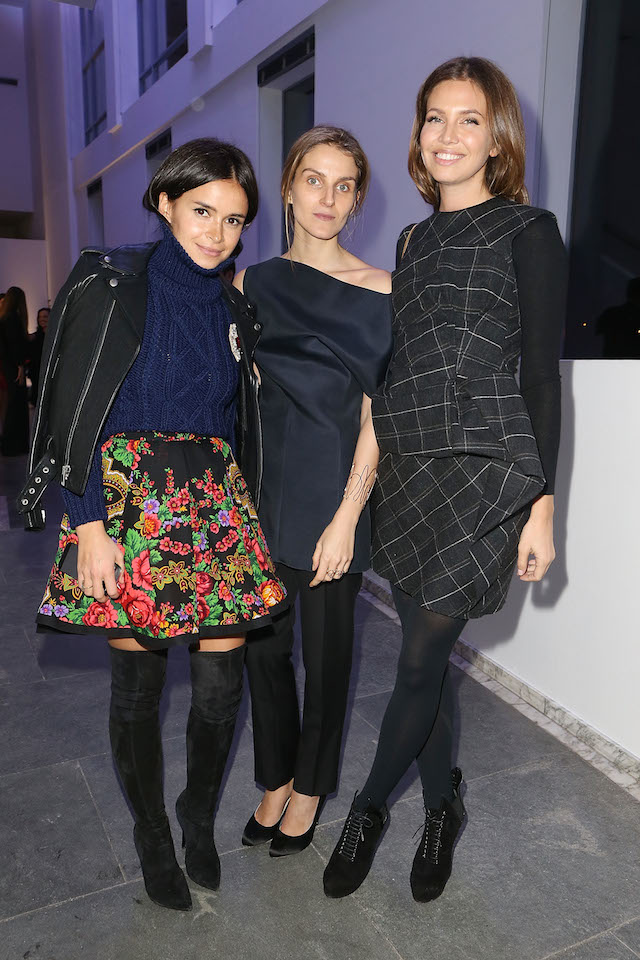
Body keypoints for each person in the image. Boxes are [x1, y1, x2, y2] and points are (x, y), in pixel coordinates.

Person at [18, 138, 287, 912]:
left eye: (234, 220)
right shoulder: (110, 280)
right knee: (137, 689)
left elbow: (234, 420)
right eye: (202, 211)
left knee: (220, 686)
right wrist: (87, 524)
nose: (217, 232)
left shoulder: (235, 307)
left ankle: (196, 817)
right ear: (165, 202)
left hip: (214, 508)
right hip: (127, 506)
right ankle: (151, 835)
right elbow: (70, 405)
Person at [323, 57, 567, 902]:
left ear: (497, 138)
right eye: (435, 117)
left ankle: (365, 811)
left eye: (469, 119)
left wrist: (542, 507)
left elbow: (542, 379)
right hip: (412, 466)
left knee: (422, 657)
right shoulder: (411, 241)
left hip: (487, 473)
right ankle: (441, 807)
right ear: (419, 135)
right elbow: (402, 366)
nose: (449, 135)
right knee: (422, 663)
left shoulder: (529, 230)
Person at [233, 126, 392, 856]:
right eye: (314, 180)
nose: (328, 197)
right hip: (262, 495)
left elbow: (377, 413)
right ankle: (274, 777)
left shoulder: (381, 290)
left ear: (357, 200)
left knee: (327, 661)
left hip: (335, 493)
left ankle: (311, 787)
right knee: (263, 655)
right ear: (290, 188)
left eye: (344, 185)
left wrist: (348, 515)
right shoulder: (251, 284)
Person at [0, 286, 30, 455]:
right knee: (16, 404)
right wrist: (20, 365)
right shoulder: (13, 319)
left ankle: (10, 444)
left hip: (8, 365)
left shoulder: (4, 318)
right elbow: (15, 345)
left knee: (13, 403)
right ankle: (14, 444)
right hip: (14, 366)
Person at [28, 306, 50, 405]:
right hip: (37, 373)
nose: (42, 319)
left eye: (45, 316)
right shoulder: (34, 337)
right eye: (40, 317)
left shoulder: (54, 336)